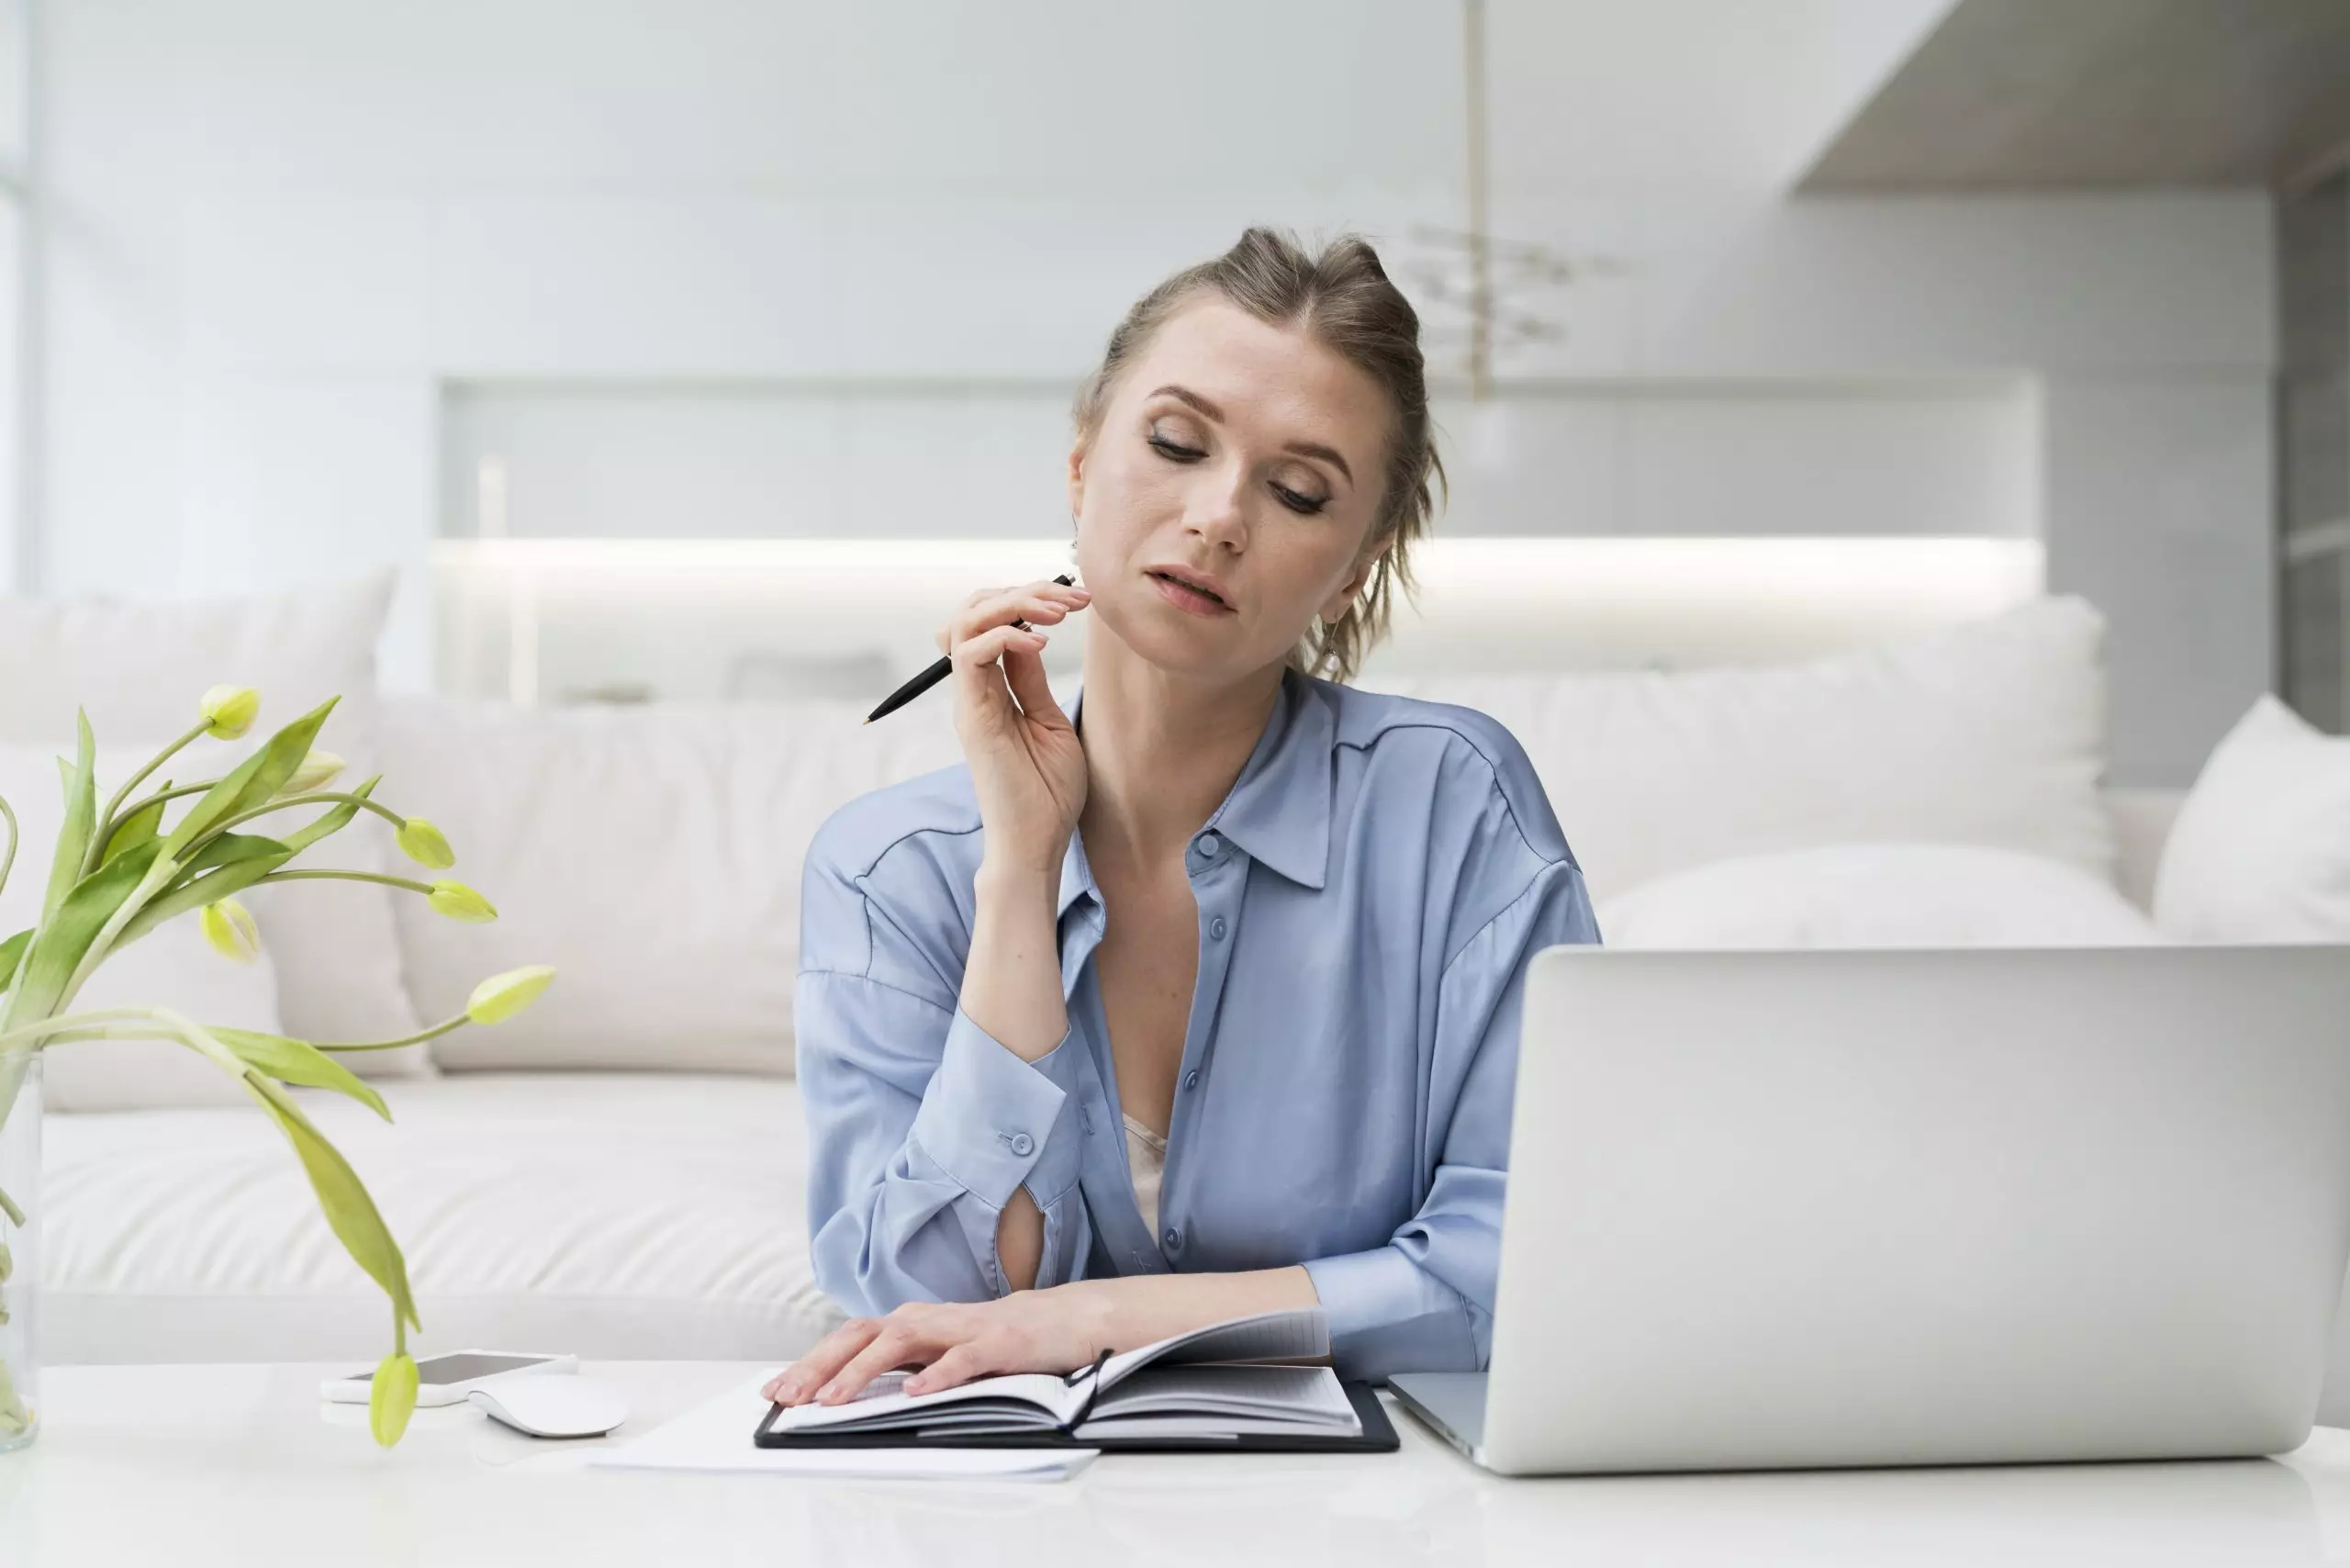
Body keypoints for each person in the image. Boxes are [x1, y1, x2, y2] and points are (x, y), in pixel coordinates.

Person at [768, 227, 1599, 1410]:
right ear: (1079, 465)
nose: (1218, 517)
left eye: (1299, 491)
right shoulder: (887, 869)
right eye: (1174, 443)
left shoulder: (1454, 804)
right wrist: (1019, 870)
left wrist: (1107, 1318)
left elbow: (1529, 1259)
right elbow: (922, 1306)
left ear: (1356, 565)